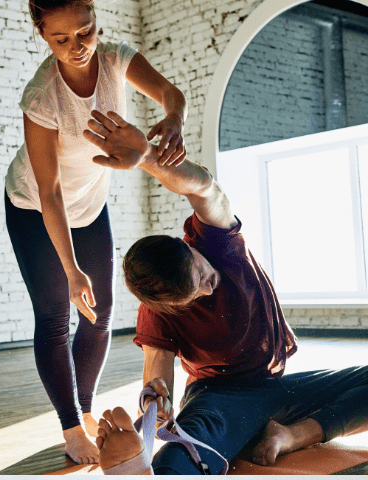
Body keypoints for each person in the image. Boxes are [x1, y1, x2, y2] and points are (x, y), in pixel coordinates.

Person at [83, 110, 368, 475]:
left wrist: (150, 158)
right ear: (170, 303)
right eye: (195, 292)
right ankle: (139, 472)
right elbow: (157, 372)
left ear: (187, 247)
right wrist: (157, 404)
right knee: (188, 447)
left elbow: (205, 188)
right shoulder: (158, 311)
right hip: (219, 396)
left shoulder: (217, 241)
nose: (208, 284)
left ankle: (291, 436)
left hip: (277, 388)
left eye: (200, 272)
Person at [4, 0, 189, 464]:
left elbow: (171, 93)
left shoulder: (115, 58)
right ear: (42, 35)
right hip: (35, 208)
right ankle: (70, 428)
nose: (76, 47)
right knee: (54, 316)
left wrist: (174, 118)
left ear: (96, 21)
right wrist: (70, 268)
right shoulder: (41, 96)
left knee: (99, 313)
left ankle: (83, 409)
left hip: (90, 204)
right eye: (60, 39)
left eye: (84, 32)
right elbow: (48, 191)